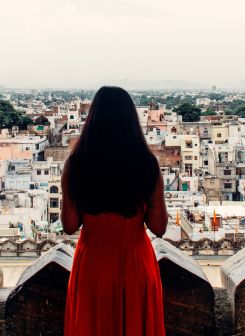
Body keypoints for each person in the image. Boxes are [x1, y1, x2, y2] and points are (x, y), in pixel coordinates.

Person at [62, 86, 168, 336]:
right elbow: (159, 227)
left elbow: (69, 225)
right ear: (131, 120)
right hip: (135, 263)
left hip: (93, 265)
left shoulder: (76, 164)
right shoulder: (146, 164)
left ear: (92, 119)